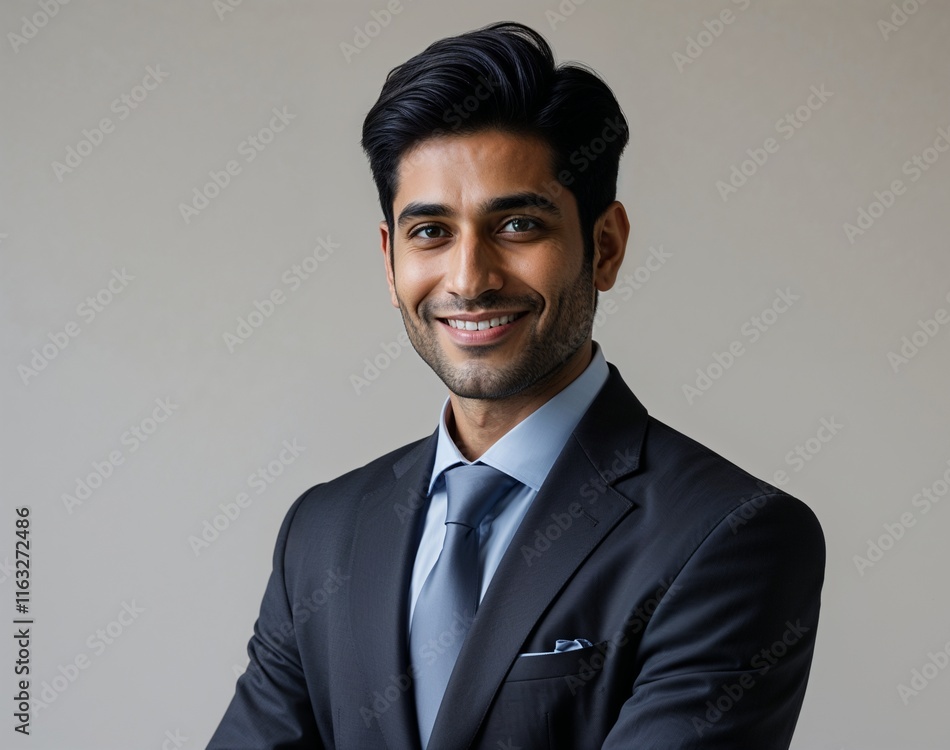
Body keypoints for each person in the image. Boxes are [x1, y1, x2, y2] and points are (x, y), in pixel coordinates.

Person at [208, 21, 825, 750]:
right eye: (430, 233)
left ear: (605, 246)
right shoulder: (322, 532)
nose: (469, 279)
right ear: (389, 260)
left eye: (518, 225)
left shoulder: (730, 534)